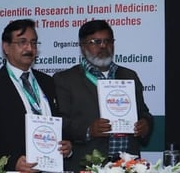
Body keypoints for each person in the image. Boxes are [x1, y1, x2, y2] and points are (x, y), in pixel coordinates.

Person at [0, 19, 72, 173]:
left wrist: (68, 146)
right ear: (6, 47)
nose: (29, 48)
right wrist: (12, 162)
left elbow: (61, 123)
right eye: (22, 42)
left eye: (33, 43)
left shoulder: (48, 82)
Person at [53, 19, 152, 162]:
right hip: (87, 165)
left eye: (108, 41)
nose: (103, 46)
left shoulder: (129, 76)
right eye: (96, 42)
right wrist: (88, 130)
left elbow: (144, 112)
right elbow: (60, 123)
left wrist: (145, 124)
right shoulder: (65, 79)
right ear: (82, 46)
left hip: (128, 166)